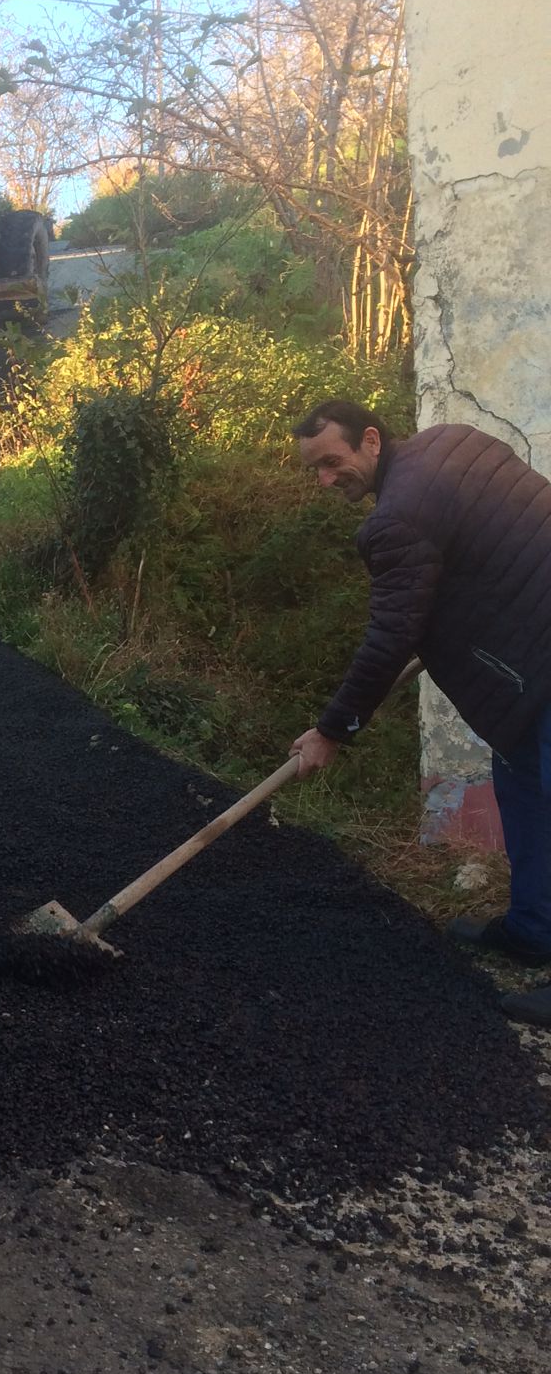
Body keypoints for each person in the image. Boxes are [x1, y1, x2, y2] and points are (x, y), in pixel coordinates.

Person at [289, 399, 551, 1023]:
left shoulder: (395, 519)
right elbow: (485, 550)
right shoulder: (452, 441)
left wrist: (331, 732)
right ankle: (534, 930)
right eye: (314, 471)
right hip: (528, 671)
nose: (326, 480)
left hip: (544, 660)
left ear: (371, 441)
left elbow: (387, 638)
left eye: (333, 461)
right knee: (523, 794)